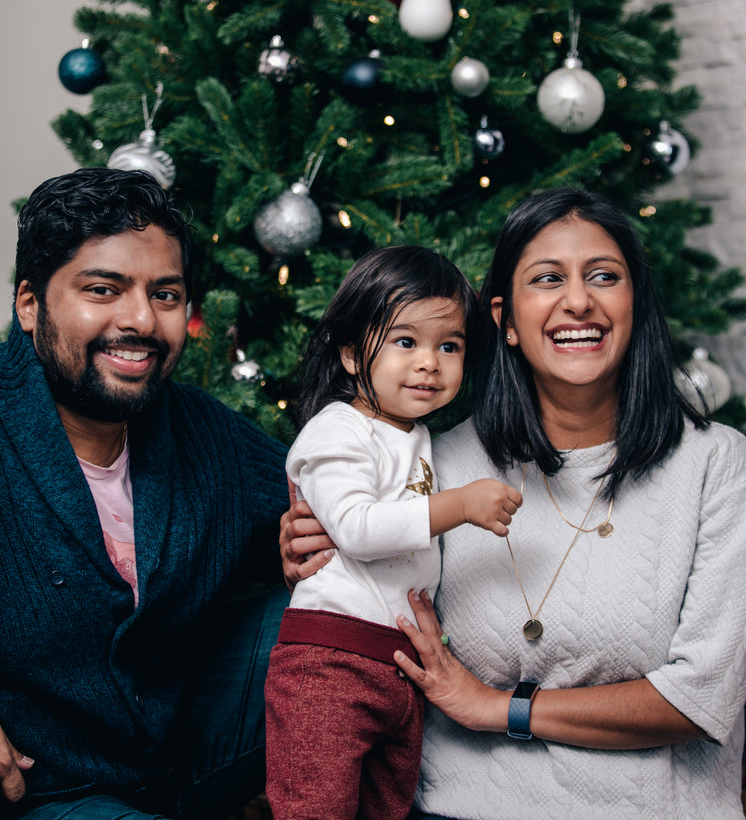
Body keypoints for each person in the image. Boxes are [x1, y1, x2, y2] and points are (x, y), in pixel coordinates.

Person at [282, 187, 746, 820]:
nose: (578, 300)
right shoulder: (434, 462)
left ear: (634, 301)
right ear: (503, 318)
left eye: (604, 277)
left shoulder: (717, 465)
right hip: (458, 808)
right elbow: (356, 551)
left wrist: (500, 708)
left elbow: (702, 698)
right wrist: (309, 543)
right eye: (548, 278)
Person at [0, 167, 289, 820]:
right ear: (29, 304)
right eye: (103, 289)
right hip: (48, 791)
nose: (140, 320)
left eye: (164, 295)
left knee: (343, 603)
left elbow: (332, 498)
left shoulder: (200, 431)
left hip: (180, 753)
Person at [264, 246, 521, 820]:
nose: (429, 363)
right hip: (331, 660)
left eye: (448, 346)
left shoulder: (416, 436)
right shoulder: (338, 430)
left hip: (400, 667)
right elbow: (355, 528)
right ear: (353, 354)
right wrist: (459, 504)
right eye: (406, 342)